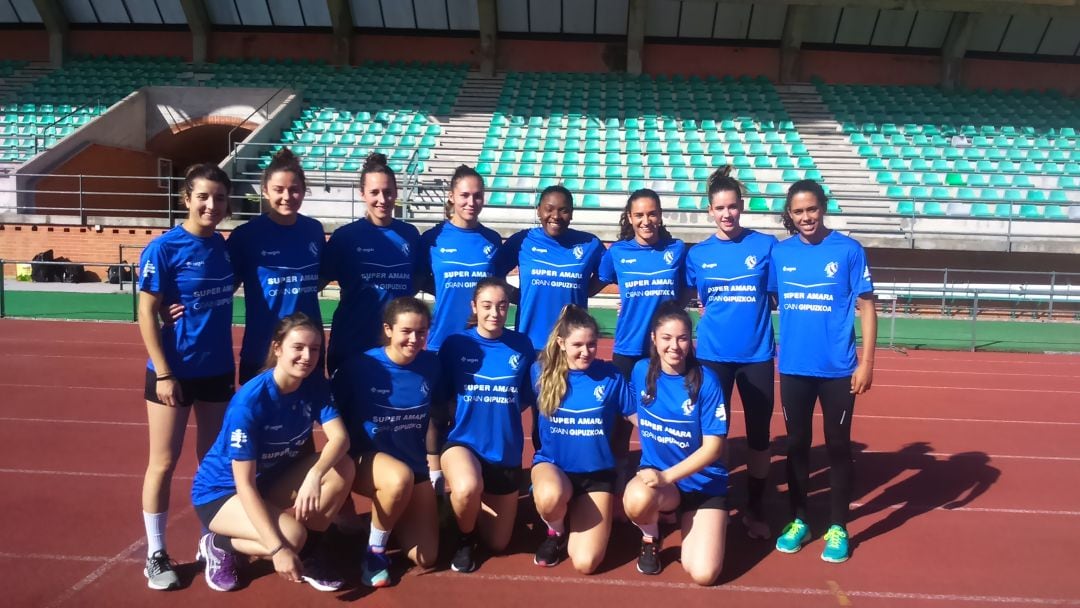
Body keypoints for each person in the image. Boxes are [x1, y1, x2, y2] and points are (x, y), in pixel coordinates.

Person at [190, 313, 354, 592]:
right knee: (290, 537)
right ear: (277, 348)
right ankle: (218, 543)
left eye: (314, 349)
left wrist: (315, 474)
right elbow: (244, 484)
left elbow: (340, 438)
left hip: (267, 482)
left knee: (343, 467)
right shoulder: (250, 403)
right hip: (221, 493)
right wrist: (277, 549)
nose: (307, 356)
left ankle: (307, 553)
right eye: (298, 347)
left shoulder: (314, 384)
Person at [137, 163, 237, 590]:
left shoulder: (226, 248)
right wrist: (164, 372)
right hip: (172, 374)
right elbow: (144, 310)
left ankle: (210, 540)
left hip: (217, 370)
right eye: (203, 196)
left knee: (212, 464)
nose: (211, 205)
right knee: (162, 462)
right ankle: (156, 553)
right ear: (186, 199)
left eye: (218, 198)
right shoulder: (164, 249)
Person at [770, 179, 877, 564]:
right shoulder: (780, 254)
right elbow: (763, 296)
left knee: (837, 445)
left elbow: (866, 306)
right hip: (795, 368)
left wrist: (867, 362)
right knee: (796, 444)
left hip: (838, 370)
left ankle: (838, 525)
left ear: (823, 207)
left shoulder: (848, 250)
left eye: (811, 209)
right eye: (798, 211)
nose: (805, 217)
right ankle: (799, 519)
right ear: (790, 214)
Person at [684, 166, 777, 540]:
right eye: (720, 208)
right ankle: (715, 502)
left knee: (758, 435)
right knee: (712, 435)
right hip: (711, 357)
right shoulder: (698, 254)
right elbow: (690, 296)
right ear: (709, 210)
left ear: (742, 207)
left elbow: (774, 294)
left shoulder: (765, 246)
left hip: (755, 357)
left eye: (733, 207)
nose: (727, 214)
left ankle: (755, 507)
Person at [332, 297, 441, 587]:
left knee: (425, 556)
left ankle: (394, 512)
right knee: (397, 478)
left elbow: (439, 414)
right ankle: (375, 553)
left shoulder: (431, 365)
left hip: (413, 465)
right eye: (406, 331)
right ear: (388, 329)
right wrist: (337, 485)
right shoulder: (360, 367)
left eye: (421, 332)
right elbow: (331, 416)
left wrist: (437, 464)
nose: (414, 339)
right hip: (366, 462)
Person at [431, 277, 536, 573]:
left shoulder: (521, 345)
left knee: (499, 545)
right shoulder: (456, 344)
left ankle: (468, 510)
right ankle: (465, 537)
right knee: (466, 487)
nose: (495, 313)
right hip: (463, 443)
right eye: (487, 306)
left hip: (504, 451)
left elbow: (526, 396)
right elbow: (441, 398)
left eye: (502, 306)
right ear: (474, 307)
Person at [623, 302, 728, 585]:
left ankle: (696, 518)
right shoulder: (641, 371)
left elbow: (713, 448)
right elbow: (629, 406)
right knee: (635, 500)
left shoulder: (707, 381)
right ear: (654, 339)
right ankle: (651, 535)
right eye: (667, 338)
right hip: (661, 485)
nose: (675, 346)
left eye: (682, 338)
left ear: (690, 340)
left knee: (703, 574)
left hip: (702, 484)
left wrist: (665, 476)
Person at [529, 304, 636, 572]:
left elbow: (640, 420)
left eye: (591, 344)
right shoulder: (539, 372)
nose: (585, 351)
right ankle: (555, 531)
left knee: (586, 563)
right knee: (551, 496)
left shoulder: (610, 375)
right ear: (561, 342)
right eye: (578, 344)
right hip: (554, 468)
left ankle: (579, 513)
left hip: (596, 475)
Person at [228, 148, 325, 384]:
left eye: (294, 190)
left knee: (303, 419)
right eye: (278, 190)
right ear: (265, 191)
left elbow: (319, 277)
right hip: (262, 349)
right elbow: (223, 285)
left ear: (303, 190)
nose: (287, 197)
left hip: (307, 350)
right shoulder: (246, 235)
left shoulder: (314, 230)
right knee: (258, 419)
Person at [322, 153, 420, 373]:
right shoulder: (345, 237)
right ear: (362, 194)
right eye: (374, 192)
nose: (382, 199)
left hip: (396, 347)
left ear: (397, 192)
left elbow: (419, 277)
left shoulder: (410, 235)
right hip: (351, 344)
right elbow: (318, 281)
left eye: (388, 192)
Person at [493, 185, 604, 352]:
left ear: (572, 213)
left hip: (571, 347)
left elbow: (606, 273)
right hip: (528, 345)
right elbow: (494, 274)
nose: (556, 216)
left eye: (563, 210)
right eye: (549, 209)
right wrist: (516, 296)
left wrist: (584, 291)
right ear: (538, 211)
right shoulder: (522, 241)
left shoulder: (590, 244)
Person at [598, 188, 688, 378]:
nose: (646, 221)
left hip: (666, 347)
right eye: (639, 215)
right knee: (625, 407)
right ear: (630, 218)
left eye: (652, 214)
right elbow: (602, 282)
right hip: (629, 345)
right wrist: (631, 298)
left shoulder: (677, 248)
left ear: (660, 215)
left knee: (664, 406)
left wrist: (676, 308)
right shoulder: (617, 252)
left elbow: (687, 287)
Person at [417, 165, 502, 353]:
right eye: (465, 195)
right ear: (451, 196)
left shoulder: (493, 240)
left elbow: (498, 287)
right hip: (441, 340)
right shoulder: (432, 239)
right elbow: (418, 281)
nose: (471, 202)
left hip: (483, 341)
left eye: (477, 195)